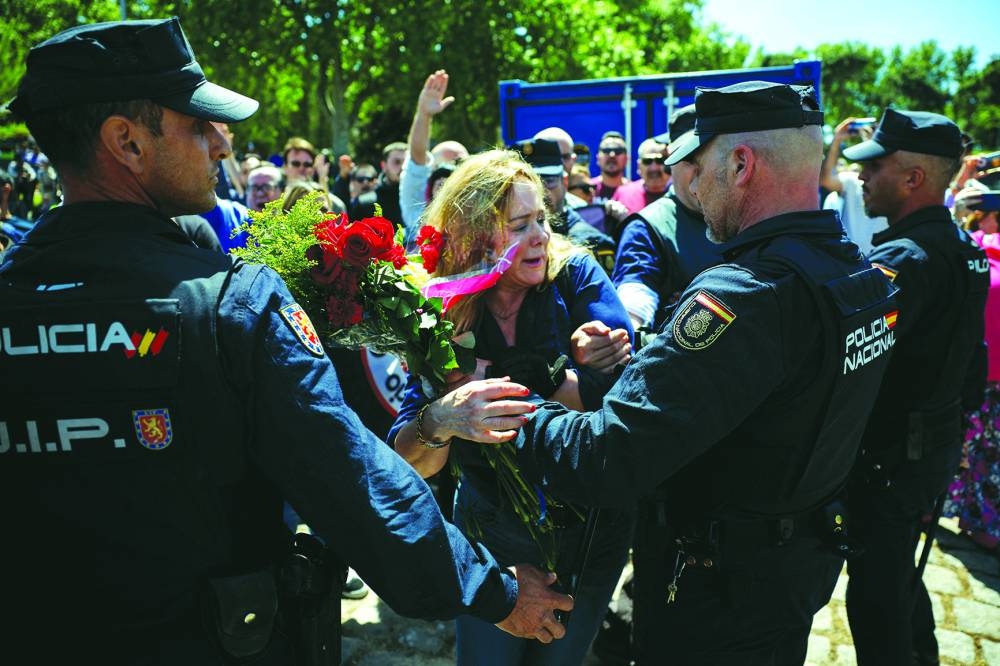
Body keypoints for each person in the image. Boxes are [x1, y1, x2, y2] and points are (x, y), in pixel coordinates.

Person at [0, 17, 572, 663]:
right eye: (198, 123)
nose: (222, 144)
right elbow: (351, 482)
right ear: (125, 142)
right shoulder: (231, 305)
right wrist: (497, 592)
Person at [467, 81, 899, 665]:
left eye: (701, 169)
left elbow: (605, 457)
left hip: (715, 593)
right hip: (794, 570)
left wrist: (500, 402)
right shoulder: (861, 278)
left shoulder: (746, 296)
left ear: (741, 165)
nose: (691, 187)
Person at [387, 149, 634, 665]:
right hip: (491, 528)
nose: (541, 236)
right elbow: (410, 453)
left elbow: (621, 401)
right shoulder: (440, 303)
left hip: (586, 527)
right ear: (476, 237)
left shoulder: (575, 275)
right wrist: (443, 418)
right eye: (520, 225)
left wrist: (579, 368)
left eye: (542, 218)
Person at [841, 108, 989, 666]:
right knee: (898, 570)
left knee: (876, 591)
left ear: (913, 178)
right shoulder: (962, 249)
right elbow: (973, 366)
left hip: (889, 455)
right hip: (930, 446)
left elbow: (853, 364)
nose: (862, 176)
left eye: (874, 166)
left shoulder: (904, 259)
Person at [612, 104, 726, 333]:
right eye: (690, 157)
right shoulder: (647, 229)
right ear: (671, 160)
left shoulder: (744, 214)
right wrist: (629, 329)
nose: (702, 169)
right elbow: (635, 295)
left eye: (712, 155)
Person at [945, 191, 1000, 552]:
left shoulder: (971, 247)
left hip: (972, 368)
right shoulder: (977, 248)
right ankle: (981, 521)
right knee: (986, 451)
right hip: (985, 370)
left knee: (964, 441)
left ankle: (954, 510)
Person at [514, 137, 618, 275]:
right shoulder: (506, 241)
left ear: (565, 181)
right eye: (528, 185)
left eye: (548, 181)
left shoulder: (592, 242)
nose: (539, 192)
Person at [820, 116, 888, 254]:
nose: (862, 175)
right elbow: (826, 179)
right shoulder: (852, 182)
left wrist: (874, 144)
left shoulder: (892, 186)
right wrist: (837, 139)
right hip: (851, 266)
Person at [611, 137, 670, 214]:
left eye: (660, 161)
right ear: (639, 166)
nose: (654, 168)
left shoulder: (681, 194)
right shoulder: (624, 193)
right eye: (647, 161)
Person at [591, 130, 631, 203]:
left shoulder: (634, 192)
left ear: (627, 159)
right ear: (597, 158)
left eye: (618, 150)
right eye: (606, 150)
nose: (612, 155)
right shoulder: (587, 190)